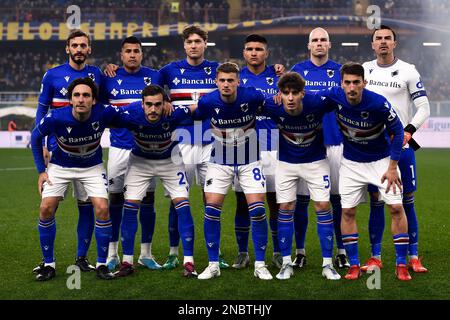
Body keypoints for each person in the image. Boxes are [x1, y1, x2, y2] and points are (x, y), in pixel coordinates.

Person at [321, 62, 412, 281]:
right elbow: (309, 99)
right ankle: (354, 264)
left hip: (381, 162)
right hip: (351, 164)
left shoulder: (378, 103)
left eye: (356, 83)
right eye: (347, 83)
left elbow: (398, 132)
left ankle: (401, 264)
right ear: (341, 84)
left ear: (364, 83)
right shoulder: (335, 96)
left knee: (397, 208)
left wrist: (392, 167)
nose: (351, 88)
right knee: (348, 212)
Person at [30, 77, 119, 281]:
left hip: (92, 167)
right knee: (45, 208)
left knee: (103, 209)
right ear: (70, 100)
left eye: (86, 95)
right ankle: (48, 264)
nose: (81, 99)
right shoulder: (56, 117)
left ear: (93, 100)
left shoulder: (104, 112)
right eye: (76, 95)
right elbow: (35, 138)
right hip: (60, 167)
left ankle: (102, 264)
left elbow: (129, 116)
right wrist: (41, 171)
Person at [110, 85, 198, 278]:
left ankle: (189, 262)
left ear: (164, 104)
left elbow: (198, 108)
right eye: (148, 105)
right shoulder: (130, 113)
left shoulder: (173, 113)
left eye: (158, 105)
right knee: (130, 206)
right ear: (142, 104)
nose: (153, 109)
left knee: (183, 205)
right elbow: (105, 115)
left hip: (170, 161)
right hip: (140, 162)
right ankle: (127, 261)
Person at [361, 25, 430, 273]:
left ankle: (413, 256)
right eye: (378, 38)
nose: (382, 42)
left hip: (401, 147)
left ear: (394, 44)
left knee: (407, 203)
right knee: (377, 202)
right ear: (372, 44)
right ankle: (375, 256)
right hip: (373, 149)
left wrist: (409, 130)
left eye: (387, 38)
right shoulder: (364, 70)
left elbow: (424, 107)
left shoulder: (408, 71)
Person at [194, 62, 272, 280]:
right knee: (211, 209)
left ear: (238, 81)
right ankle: (212, 264)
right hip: (220, 161)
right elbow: (195, 114)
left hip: (250, 160)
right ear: (216, 82)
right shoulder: (208, 101)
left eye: (230, 80)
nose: (226, 84)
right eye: (222, 80)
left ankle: (260, 264)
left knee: (257, 210)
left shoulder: (252, 97)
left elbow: (272, 108)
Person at [34, 29, 103, 272]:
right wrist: (43, 145)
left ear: (89, 49)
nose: (79, 49)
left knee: (86, 206)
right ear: (68, 48)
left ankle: (82, 258)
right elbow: (41, 113)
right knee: (48, 207)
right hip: (57, 153)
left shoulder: (97, 75)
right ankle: (48, 261)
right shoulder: (52, 75)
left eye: (83, 45)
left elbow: (103, 106)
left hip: (87, 154)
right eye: (75, 45)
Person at [262, 72, 341, 280]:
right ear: (280, 93)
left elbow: (342, 97)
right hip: (286, 164)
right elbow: (247, 102)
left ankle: (327, 264)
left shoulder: (316, 102)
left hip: (316, 162)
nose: (289, 98)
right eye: (285, 93)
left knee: (323, 206)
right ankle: (286, 263)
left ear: (302, 94)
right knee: (285, 208)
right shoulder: (272, 106)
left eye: (294, 93)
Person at [100, 36, 164, 272]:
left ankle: (146, 253)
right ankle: (112, 252)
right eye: (128, 51)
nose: (132, 55)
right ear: (121, 55)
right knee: (115, 199)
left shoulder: (155, 76)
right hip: (119, 148)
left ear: (141, 54)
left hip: (147, 149)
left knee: (148, 200)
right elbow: (101, 110)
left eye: (136, 51)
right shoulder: (109, 79)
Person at [290, 27, 350, 269]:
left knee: (337, 200)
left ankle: (342, 250)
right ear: (309, 45)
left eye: (323, 40)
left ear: (329, 44)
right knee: (301, 200)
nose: (319, 44)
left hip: (335, 143)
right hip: (305, 144)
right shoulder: (298, 71)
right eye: (314, 40)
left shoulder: (340, 72)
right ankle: (301, 251)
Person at [232, 34, 284, 270]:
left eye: (259, 49)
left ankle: (278, 251)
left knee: (275, 202)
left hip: (274, 146)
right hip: (243, 147)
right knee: (242, 202)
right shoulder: (236, 79)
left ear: (267, 53)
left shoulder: (279, 76)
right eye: (249, 49)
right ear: (244, 53)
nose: (254, 53)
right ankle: (243, 252)